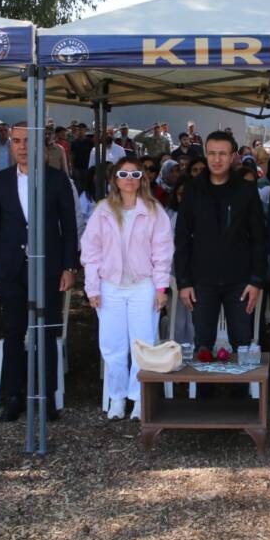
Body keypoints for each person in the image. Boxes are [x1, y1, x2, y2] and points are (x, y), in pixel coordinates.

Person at [0, 123, 78, 423]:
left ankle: (47, 397)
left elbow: (69, 226)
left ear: (40, 145)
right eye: (16, 141)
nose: (22, 146)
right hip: (10, 269)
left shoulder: (57, 180)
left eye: (27, 141)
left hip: (48, 267)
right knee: (12, 333)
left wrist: (69, 266)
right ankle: (14, 396)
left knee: (46, 333)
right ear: (10, 145)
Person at [80, 156, 172, 420]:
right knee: (112, 345)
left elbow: (162, 252)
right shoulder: (103, 211)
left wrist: (161, 288)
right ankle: (118, 397)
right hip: (111, 287)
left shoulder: (154, 210)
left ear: (142, 178)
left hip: (143, 286)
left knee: (142, 344)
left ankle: (139, 398)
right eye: (123, 174)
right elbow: (91, 251)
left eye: (134, 175)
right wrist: (92, 288)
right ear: (114, 179)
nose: (129, 180)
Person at [174, 131, 267, 372]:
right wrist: (184, 281)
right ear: (205, 154)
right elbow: (182, 239)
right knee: (202, 344)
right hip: (201, 280)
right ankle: (205, 399)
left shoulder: (246, 190)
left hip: (240, 280)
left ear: (233, 156)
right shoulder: (193, 190)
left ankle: (241, 400)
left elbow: (259, 238)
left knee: (242, 345)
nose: (217, 159)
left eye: (222, 154)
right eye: (212, 153)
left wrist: (256, 280)